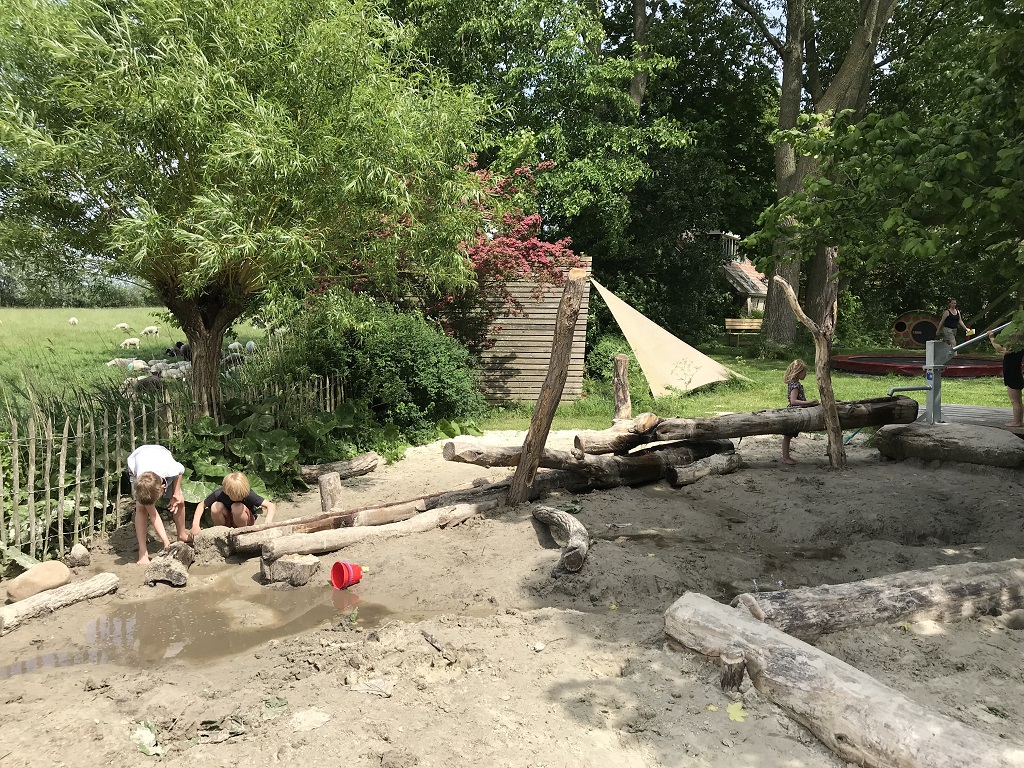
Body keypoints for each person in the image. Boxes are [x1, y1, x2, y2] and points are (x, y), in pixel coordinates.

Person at [127, 444, 186, 565]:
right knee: (141, 509)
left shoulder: (170, 469)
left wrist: (176, 495)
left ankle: (182, 535)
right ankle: (142, 552)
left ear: (162, 487)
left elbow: (180, 473)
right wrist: (166, 542)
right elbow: (153, 515)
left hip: (160, 454)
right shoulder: (140, 479)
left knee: (180, 500)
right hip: (136, 459)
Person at [190, 471, 276, 535]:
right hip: (227, 520)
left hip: (246, 521)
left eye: (243, 495)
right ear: (226, 492)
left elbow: (270, 506)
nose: (241, 497)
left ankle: (242, 532)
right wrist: (195, 525)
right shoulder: (219, 493)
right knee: (215, 506)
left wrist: (267, 523)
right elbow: (201, 505)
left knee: (237, 507)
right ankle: (221, 532)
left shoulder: (247, 493)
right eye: (239, 496)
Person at [782, 359, 818, 465]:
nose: (806, 375)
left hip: (797, 411)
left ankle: (786, 456)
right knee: (788, 436)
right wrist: (809, 402)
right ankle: (785, 457)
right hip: (794, 413)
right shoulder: (795, 385)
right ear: (798, 372)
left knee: (788, 436)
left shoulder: (795, 383)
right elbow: (793, 401)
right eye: (804, 372)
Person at [988, 325, 1024, 428]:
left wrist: (991, 338)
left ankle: (1017, 422)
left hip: (1013, 375)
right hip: (1015, 374)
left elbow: (999, 348)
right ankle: (1019, 421)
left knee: (1015, 401)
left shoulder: (1013, 349)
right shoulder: (1018, 348)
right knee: (1018, 401)